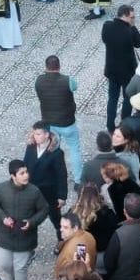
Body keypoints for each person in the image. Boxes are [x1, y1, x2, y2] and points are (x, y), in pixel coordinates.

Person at [0, 160, 48, 280]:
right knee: (4, 264)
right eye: (22, 173)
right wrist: (3, 218)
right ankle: (12, 278)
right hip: (5, 236)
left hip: (25, 237)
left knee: (20, 268)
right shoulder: (2, 189)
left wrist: (32, 222)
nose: (26, 175)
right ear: (13, 176)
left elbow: (44, 209)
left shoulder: (34, 191)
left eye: (26, 172)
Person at [34, 55, 83, 185]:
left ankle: (54, 177)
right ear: (59, 67)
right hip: (67, 122)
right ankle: (78, 180)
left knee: (52, 150)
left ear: (46, 67)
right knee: (74, 149)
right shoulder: (68, 81)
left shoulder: (38, 81)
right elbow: (75, 87)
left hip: (49, 123)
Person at [101, 5, 140, 131]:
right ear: (124, 16)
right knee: (128, 98)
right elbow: (139, 43)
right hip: (127, 72)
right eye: (132, 17)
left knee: (112, 98)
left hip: (112, 70)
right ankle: (125, 124)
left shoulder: (107, 26)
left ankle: (110, 125)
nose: (133, 19)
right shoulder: (130, 31)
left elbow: (104, 39)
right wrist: (133, 26)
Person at [22, 123, 67, 238]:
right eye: (34, 133)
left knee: (56, 219)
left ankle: (61, 240)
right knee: (30, 219)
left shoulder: (56, 153)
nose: (35, 136)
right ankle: (29, 245)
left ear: (47, 135)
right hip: (31, 191)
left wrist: (62, 196)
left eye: (38, 134)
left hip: (49, 194)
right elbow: (25, 165)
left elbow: (61, 175)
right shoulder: (31, 147)